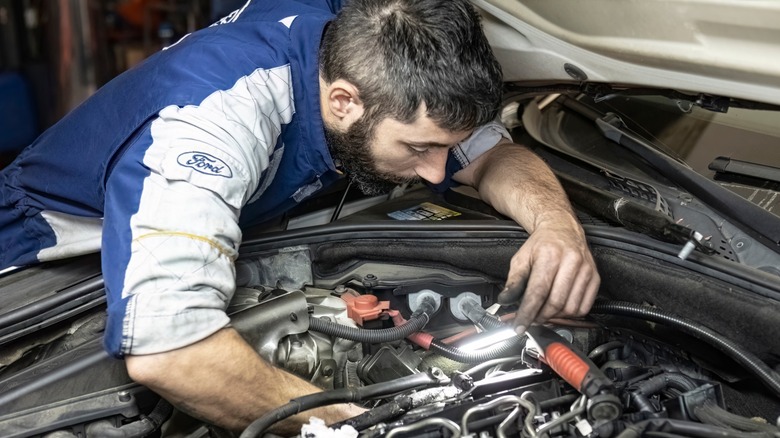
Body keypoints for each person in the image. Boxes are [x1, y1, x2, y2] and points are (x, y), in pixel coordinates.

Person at [0, 0, 599, 434]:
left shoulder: (370, 30)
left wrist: (557, 228)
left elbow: (492, 154)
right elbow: (170, 350)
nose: (439, 174)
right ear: (343, 100)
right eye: (418, 150)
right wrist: (358, 421)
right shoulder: (210, 123)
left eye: (446, 148)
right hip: (42, 268)